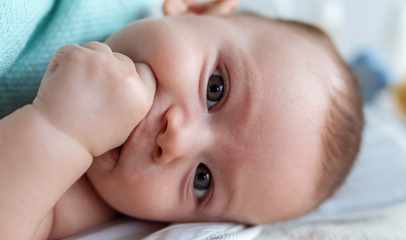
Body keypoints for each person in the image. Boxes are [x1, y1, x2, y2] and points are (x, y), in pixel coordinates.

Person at [0, 0, 364, 239]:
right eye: (215, 89)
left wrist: (59, 131)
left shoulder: (79, 196)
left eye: (202, 180)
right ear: (199, 8)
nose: (176, 140)